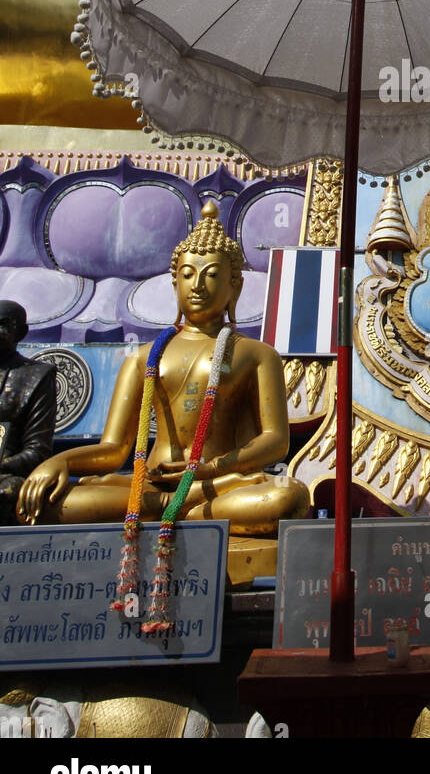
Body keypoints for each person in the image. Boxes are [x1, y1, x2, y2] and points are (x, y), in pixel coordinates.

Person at [17, 203, 309, 533]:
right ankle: (179, 510)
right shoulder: (145, 356)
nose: (197, 285)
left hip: (218, 484)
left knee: (289, 498)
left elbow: (275, 441)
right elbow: (115, 449)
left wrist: (208, 470)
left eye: (211, 275)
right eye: (187, 275)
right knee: (45, 503)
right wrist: (59, 460)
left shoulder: (256, 354)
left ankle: (175, 508)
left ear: (235, 287)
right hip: (150, 486)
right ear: (174, 285)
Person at [0, 300, 56, 524]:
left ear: (21, 332)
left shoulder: (36, 376)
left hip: (6, 472)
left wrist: (3, 464)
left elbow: (37, 450)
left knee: (9, 491)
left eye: (3, 325)